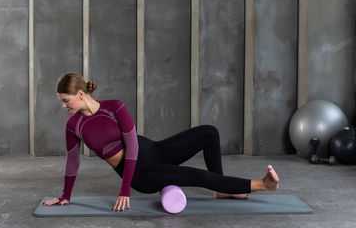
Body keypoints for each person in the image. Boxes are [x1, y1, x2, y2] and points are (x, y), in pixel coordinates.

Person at [43, 73, 279, 212]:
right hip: (141, 174)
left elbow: (132, 145)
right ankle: (262, 185)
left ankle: (222, 189)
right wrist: (66, 195)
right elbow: (73, 161)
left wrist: (123, 190)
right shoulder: (74, 126)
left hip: (154, 150)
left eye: (66, 101)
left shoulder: (114, 106)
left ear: (81, 94)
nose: (64, 106)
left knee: (209, 132)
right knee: (196, 176)